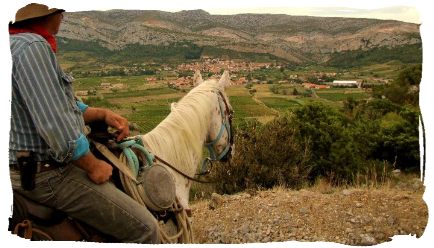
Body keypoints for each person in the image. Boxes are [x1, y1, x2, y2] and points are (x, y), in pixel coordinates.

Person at [1, 2, 161, 246]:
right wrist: (92, 165)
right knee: (146, 230)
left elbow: (54, 105)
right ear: (46, 13)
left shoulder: (8, 44)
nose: (63, 17)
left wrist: (100, 113)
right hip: (48, 175)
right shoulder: (33, 48)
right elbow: (56, 128)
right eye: (61, 10)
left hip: (14, 168)